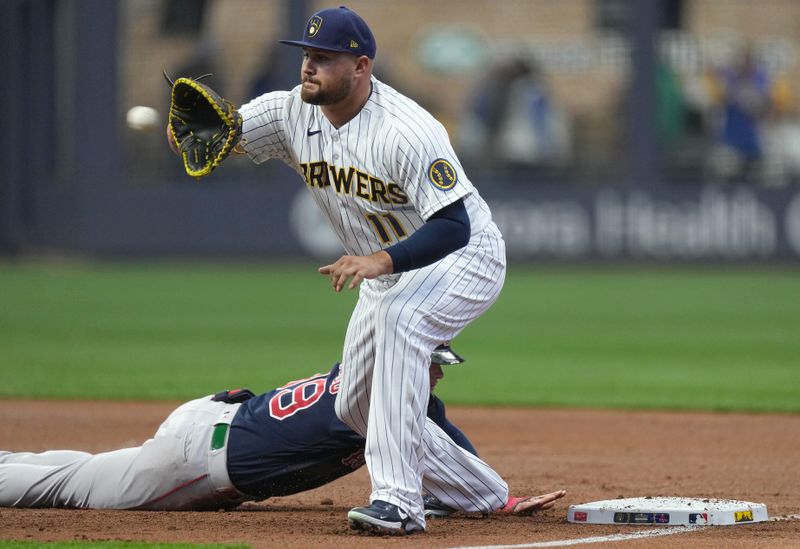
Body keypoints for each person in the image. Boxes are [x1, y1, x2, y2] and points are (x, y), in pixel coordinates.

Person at [168, 6, 508, 534]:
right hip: (388, 272)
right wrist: (190, 133)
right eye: (307, 56)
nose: (309, 67)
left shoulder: (408, 131)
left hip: (461, 259)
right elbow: (225, 135)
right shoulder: (289, 113)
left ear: (361, 66)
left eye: (324, 58)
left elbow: (455, 227)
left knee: (401, 323)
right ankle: (475, 491)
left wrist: (378, 260)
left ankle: (399, 502)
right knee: (353, 405)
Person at [0, 345, 566, 517]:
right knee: (69, 490)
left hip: (212, 421)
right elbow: (453, 467)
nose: (437, 373)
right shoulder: (377, 406)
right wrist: (497, 501)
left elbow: (440, 429)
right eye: (430, 363)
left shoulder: (366, 386)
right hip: (196, 462)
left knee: (78, 469)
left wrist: (499, 496)